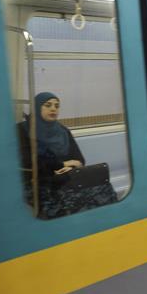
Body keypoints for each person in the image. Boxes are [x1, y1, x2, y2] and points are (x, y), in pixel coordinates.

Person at [17, 91, 117, 219]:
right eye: (48, 105)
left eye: (57, 106)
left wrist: (71, 168)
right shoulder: (22, 130)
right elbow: (28, 162)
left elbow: (79, 160)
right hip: (38, 182)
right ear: (36, 107)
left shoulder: (62, 131)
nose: (53, 109)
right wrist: (62, 164)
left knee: (104, 188)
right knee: (73, 202)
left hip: (65, 178)